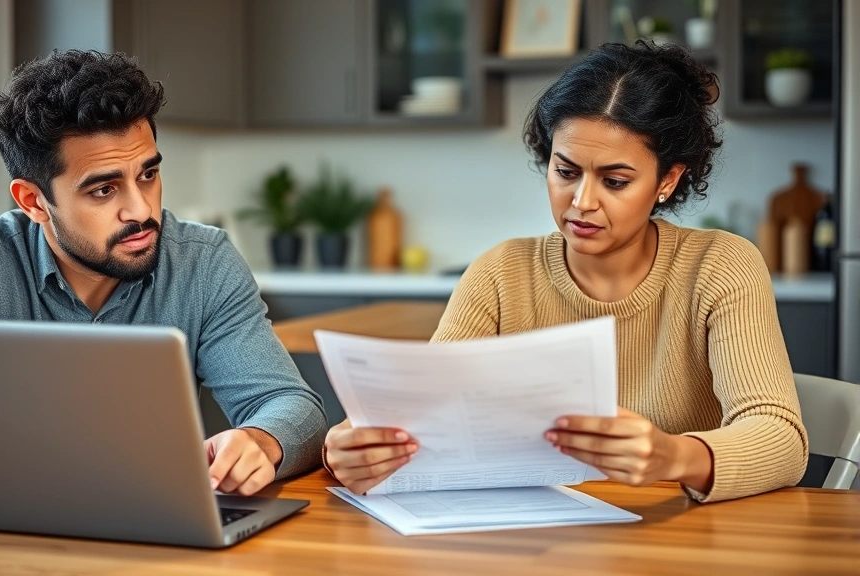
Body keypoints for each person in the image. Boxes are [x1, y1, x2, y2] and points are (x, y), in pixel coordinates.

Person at [323, 41, 808, 503]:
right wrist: (347, 447)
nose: (582, 203)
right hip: (531, 542)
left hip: (676, 539)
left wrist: (673, 455)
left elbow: (781, 438)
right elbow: (419, 420)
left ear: (668, 180)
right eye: (566, 171)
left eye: (615, 181)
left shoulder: (720, 267)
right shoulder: (500, 273)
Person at [0, 50, 326, 495]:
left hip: (159, 532)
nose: (140, 211)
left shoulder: (203, 261)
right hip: (6, 540)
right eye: (103, 191)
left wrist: (259, 441)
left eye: (148, 175)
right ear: (33, 201)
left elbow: (294, 407)